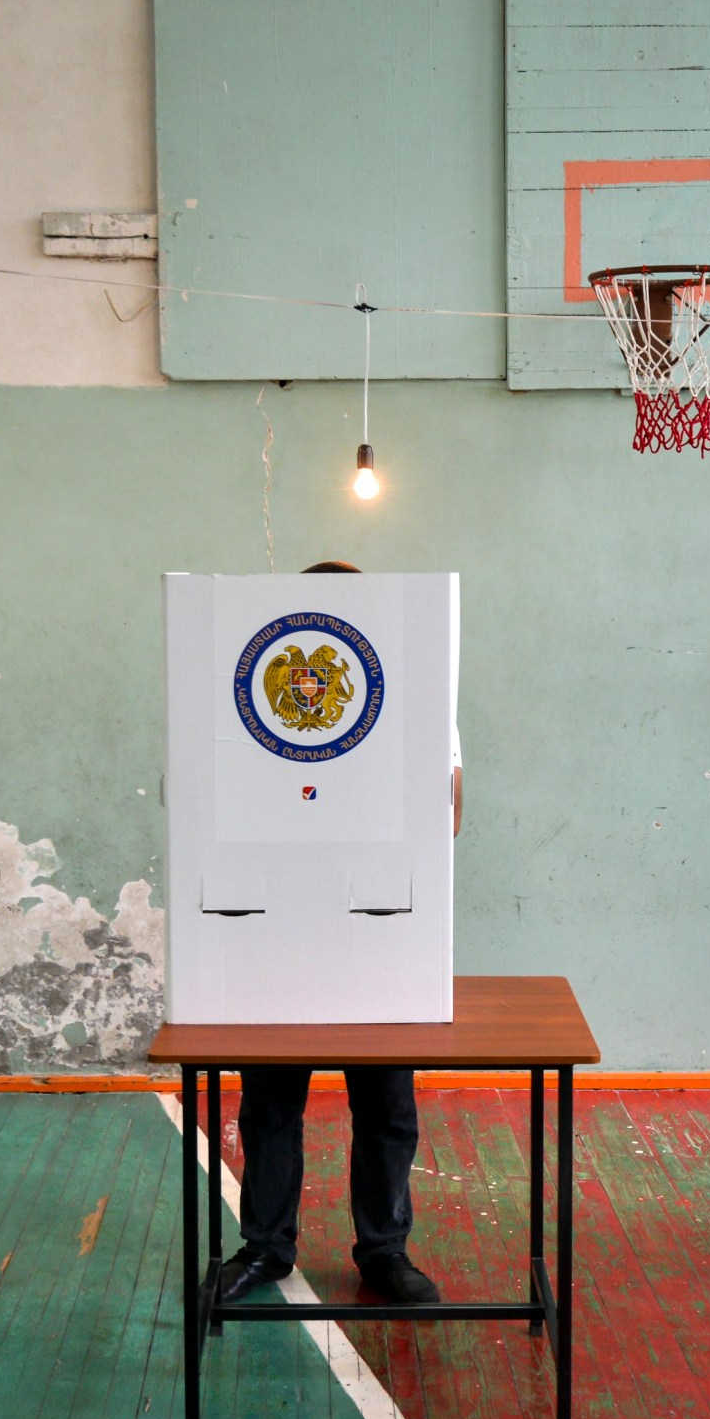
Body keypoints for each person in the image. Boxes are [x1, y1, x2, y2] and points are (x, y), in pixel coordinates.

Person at [214, 559, 454, 1307]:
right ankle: (265, 1250)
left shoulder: (420, 698)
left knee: (386, 1107)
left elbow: (448, 816)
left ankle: (384, 1253)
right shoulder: (249, 692)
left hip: (377, 934)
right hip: (281, 936)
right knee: (269, 1105)